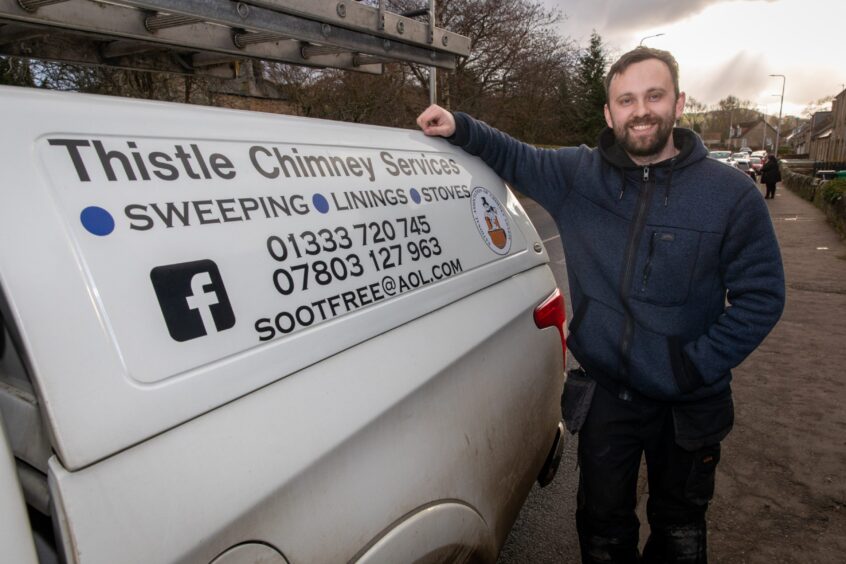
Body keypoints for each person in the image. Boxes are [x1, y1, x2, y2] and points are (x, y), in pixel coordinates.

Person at [417, 47, 785, 563]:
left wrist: (691, 364)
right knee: (602, 529)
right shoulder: (577, 176)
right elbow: (515, 155)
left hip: (689, 401)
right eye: (627, 100)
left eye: (654, 96)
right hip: (609, 395)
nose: (641, 110)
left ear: (679, 104)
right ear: (609, 114)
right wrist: (458, 125)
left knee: (679, 532)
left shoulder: (730, 194)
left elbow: (763, 296)